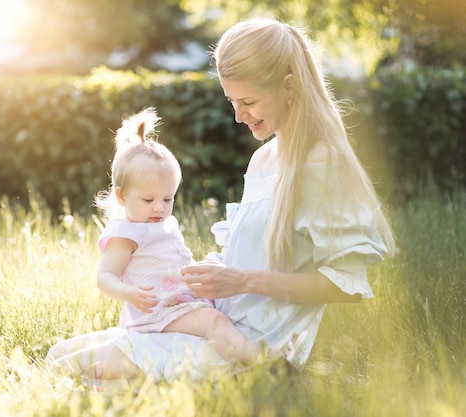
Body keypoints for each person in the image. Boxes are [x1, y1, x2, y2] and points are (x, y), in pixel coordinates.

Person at [46, 17, 395, 382]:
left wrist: (242, 281)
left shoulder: (321, 162)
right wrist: (192, 280)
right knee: (59, 355)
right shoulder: (263, 159)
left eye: (249, 101)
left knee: (73, 369)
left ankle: (271, 379)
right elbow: (239, 259)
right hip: (212, 323)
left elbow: (345, 285)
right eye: (232, 101)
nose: (238, 116)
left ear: (289, 87)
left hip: (254, 346)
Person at [55, 107, 290, 373]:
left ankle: (250, 357)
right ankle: (263, 363)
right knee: (214, 322)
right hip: (158, 311)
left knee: (218, 318)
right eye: (149, 200)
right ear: (122, 197)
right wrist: (127, 293)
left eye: (168, 199)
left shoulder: (159, 222)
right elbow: (105, 276)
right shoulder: (127, 234)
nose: (159, 208)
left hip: (178, 302)